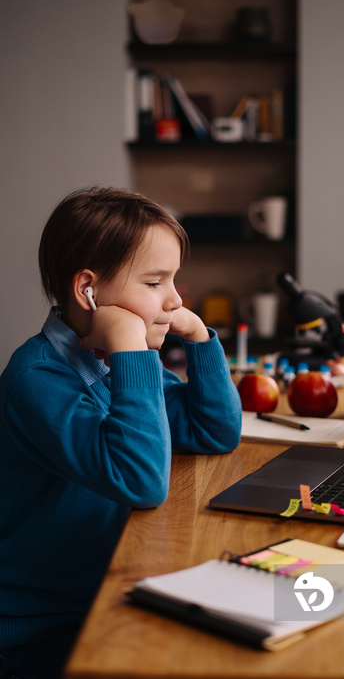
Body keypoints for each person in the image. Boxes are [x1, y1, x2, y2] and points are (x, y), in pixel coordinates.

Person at [0, 187, 242, 678]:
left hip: (112, 588)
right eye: (156, 281)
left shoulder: (111, 367)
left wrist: (198, 337)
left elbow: (212, 430)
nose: (176, 298)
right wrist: (133, 348)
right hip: (42, 628)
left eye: (175, 279)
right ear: (88, 291)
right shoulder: (37, 382)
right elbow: (140, 482)